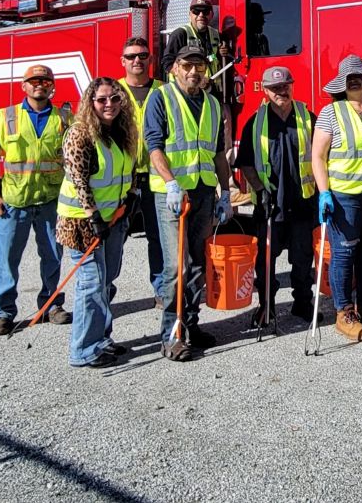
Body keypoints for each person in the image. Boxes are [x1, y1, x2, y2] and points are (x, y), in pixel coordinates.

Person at [144, 44, 234, 361]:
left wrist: (226, 192)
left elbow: (218, 154)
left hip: (203, 193)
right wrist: (170, 183)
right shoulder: (161, 98)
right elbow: (154, 147)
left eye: (200, 66)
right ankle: (171, 336)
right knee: (175, 267)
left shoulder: (212, 104)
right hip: (172, 195)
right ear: (175, 68)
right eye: (187, 66)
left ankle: (190, 325)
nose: (194, 71)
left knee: (196, 265)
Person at [0, 64, 72, 335]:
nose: (39, 85)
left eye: (45, 81)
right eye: (34, 81)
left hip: (50, 201)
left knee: (53, 257)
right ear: (24, 86)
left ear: (52, 86)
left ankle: (51, 305)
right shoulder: (5, 117)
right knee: (7, 260)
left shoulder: (65, 118)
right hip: (14, 202)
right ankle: (3, 312)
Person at [56, 78, 137, 368]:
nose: (109, 104)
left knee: (106, 280)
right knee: (91, 284)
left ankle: (101, 339)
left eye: (115, 99)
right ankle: (83, 349)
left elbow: (127, 170)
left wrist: (131, 195)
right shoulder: (79, 133)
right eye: (102, 99)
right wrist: (93, 216)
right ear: (90, 102)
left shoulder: (121, 132)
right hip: (82, 222)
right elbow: (79, 180)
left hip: (113, 217)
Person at [312, 55, 362, 342]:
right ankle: (344, 313)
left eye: (359, 77)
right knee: (344, 255)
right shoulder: (330, 112)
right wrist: (324, 192)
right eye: (349, 78)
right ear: (342, 84)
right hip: (344, 197)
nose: (354, 81)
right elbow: (318, 156)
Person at [234, 65, 317, 326]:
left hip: (303, 201)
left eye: (285, 86)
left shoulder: (307, 118)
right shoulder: (255, 123)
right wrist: (259, 190)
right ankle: (266, 306)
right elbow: (245, 163)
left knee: (303, 258)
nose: (281, 91)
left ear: (292, 86)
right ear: (266, 91)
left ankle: (303, 303)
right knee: (266, 260)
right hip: (270, 204)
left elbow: (321, 156)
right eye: (275, 88)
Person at [117, 36, 166, 306]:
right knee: (114, 238)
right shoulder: (114, 92)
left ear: (150, 59)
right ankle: (104, 290)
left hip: (156, 176)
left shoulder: (164, 90)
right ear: (123, 61)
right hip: (122, 178)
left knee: (158, 236)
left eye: (143, 55)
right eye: (131, 56)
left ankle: (161, 289)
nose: (137, 60)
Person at [161, 0, 227, 75]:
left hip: (212, 82)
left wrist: (221, 54)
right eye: (196, 11)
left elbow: (212, 58)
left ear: (212, 14)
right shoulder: (180, 34)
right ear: (190, 14)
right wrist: (185, 78)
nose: (201, 15)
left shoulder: (216, 35)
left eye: (205, 11)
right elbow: (167, 63)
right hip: (189, 83)